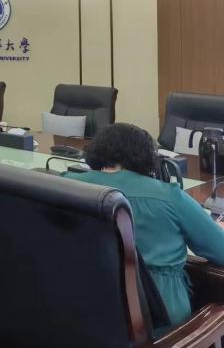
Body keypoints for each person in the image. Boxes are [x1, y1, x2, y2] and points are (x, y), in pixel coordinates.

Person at [66, 123, 224, 328]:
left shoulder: (63, 185)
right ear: (148, 158)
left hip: (81, 309)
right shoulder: (169, 196)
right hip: (157, 320)